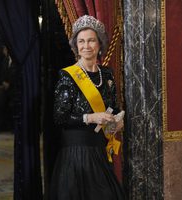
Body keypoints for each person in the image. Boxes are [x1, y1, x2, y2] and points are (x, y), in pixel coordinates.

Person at [50, 15, 126, 200]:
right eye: (81, 41)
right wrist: (91, 117)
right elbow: (60, 117)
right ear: (76, 46)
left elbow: (113, 109)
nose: (86, 46)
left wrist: (117, 123)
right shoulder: (68, 76)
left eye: (91, 40)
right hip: (77, 154)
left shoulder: (107, 74)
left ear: (99, 44)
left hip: (99, 150)